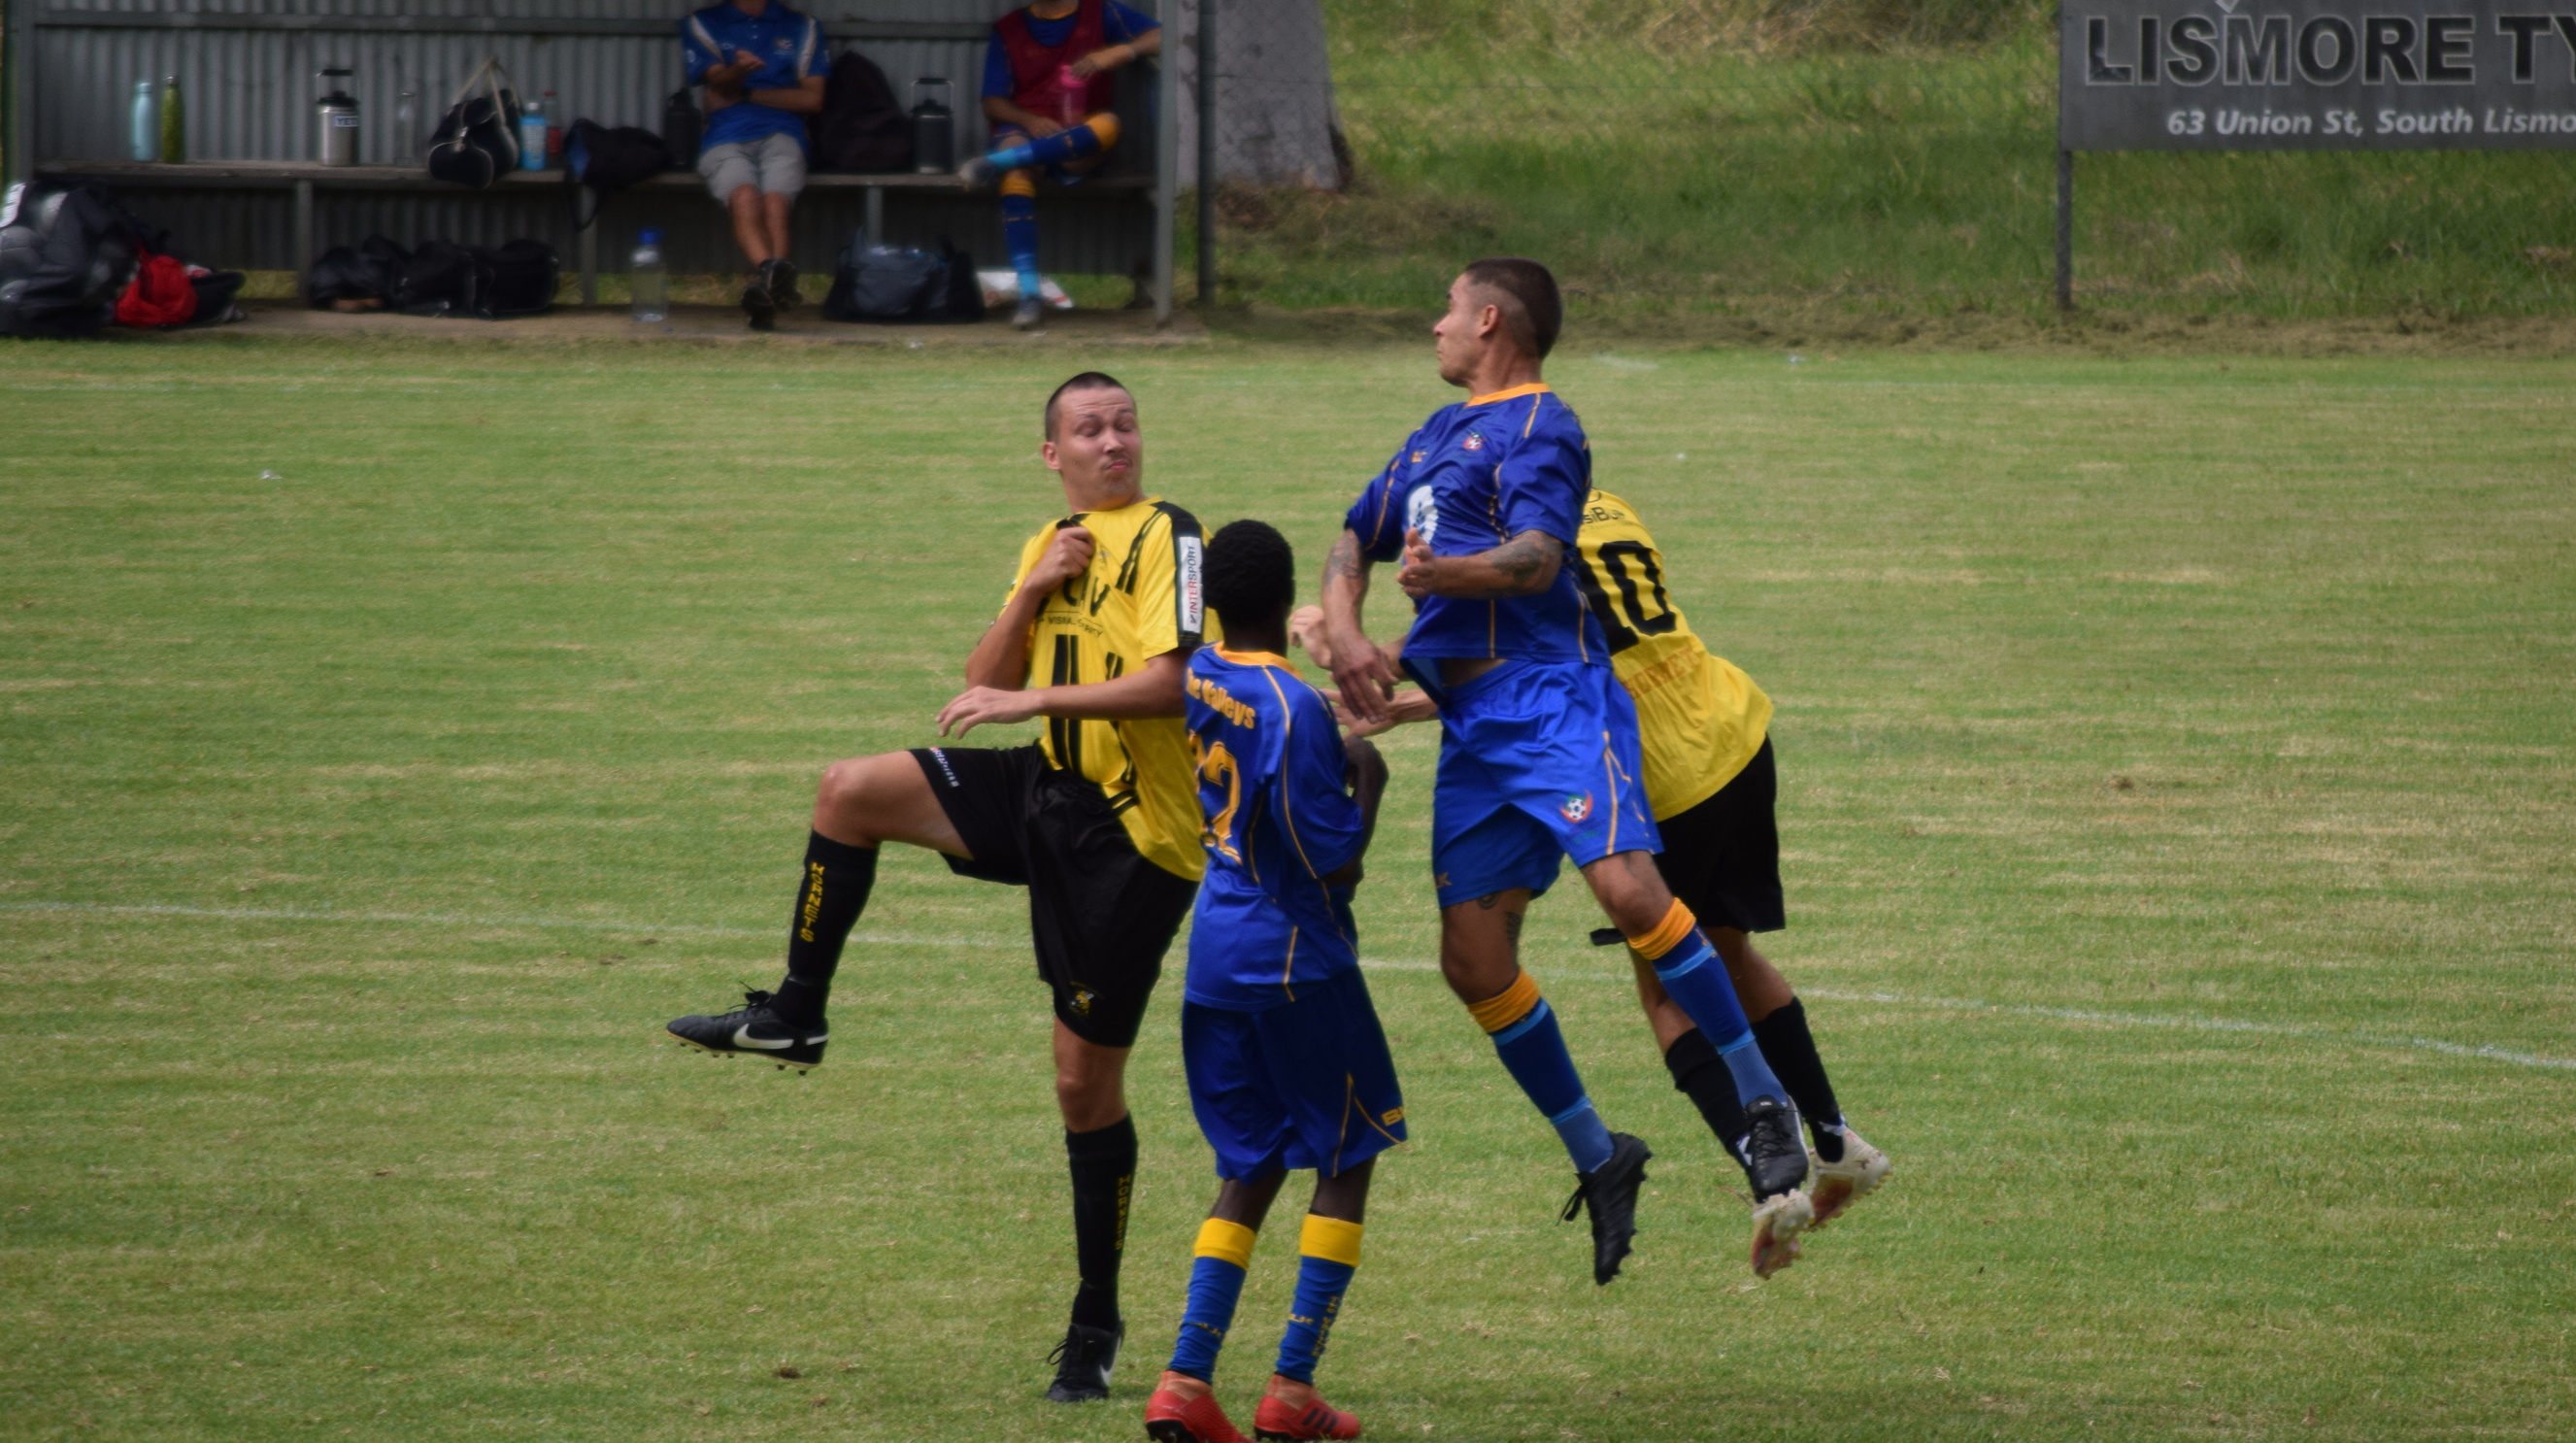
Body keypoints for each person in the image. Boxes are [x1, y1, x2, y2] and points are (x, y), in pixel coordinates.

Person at [663, 371, 1210, 1402]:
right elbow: (981, 669)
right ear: (1053, 454)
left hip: (1132, 843)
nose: (1113, 441)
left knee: (1079, 1088)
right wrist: (1034, 585)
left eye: (1125, 423)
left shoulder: (1169, 534)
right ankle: (794, 1015)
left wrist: (1035, 695)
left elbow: (1178, 684)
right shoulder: (1053, 538)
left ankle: (1094, 1321)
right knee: (851, 790)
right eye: (1089, 430)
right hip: (1047, 784)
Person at [1316, 256, 1814, 1285]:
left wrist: (1437, 576)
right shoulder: (1429, 436)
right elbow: (1347, 536)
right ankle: (1599, 1152)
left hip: (1549, 694)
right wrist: (1350, 631)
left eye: (1447, 309)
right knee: (1473, 962)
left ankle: (1764, 1105)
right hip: (1472, 728)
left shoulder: (1543, 427)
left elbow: (1539, 560)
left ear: (1488, 318)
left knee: (1631, 888)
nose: (1435, 326)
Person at [1293, 488, 1890, 1277]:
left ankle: (1766, 1162)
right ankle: (1836, 1138)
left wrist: (1352, 644)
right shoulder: (1603, 505)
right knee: (1728, 956)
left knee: (1670, 987)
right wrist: (1414, 703)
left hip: (1659, 765)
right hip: (1731, 726)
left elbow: (1528, 656)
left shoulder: (1498, 547)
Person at [1144, 520, 1398, 1443]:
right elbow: (1332, 860)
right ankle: (1290, 1386)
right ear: (1283, 591)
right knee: (1349, 1148)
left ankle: (1183, 1380)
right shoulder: (1296, 710)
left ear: (1211, 599)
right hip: (1293, 959)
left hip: (1213, 955)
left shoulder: (1204, 668)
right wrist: (1366, 778)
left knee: (1248, 1162)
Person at [958, 0, 1163, 331]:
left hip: (1079, 139)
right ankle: (1031, 296)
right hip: (1028, 129)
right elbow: (992, 102)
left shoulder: (1099, 10)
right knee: (1018, 176)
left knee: (1111, 123)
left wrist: (1118, 53)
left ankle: (994, 163)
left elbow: (1163, 34)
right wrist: (1029, 120)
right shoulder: (1010, 28)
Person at [681, 0, 829, 332]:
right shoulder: (703, 21)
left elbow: (813, 99)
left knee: (776, 203)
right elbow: (716, 83)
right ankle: (773, 283)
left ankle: (767, 288)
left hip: (784, 133)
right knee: (745, 197)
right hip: (725, 136)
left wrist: (744, 92)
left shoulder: (802, 26)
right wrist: (736, 73)